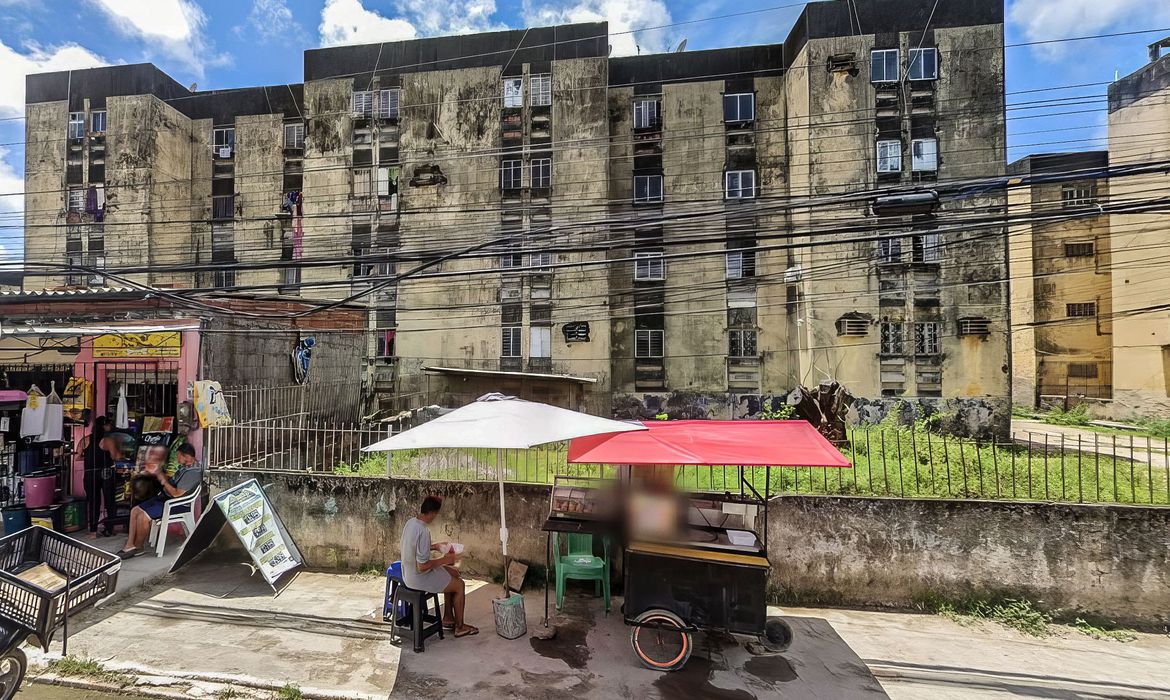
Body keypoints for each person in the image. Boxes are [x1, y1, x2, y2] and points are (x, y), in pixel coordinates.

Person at [399, 495, 478, 638]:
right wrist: (445, 559)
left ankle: (448, 617)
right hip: (418, 577)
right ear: (432, 513)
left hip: (408, 574)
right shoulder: (423, 531)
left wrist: (434, 546)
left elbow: (414, 547)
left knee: (453, 574)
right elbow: (423, 566)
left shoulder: (411, 523)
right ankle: (460, 627)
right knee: (459, 585)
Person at [117, 443, 202, 559]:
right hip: (164, 498)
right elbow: (173, 483)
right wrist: (160, 474)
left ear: (186, 456)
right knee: (135, 510)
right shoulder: (185, 467)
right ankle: (130, 544)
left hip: (176, 504)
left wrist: (163, 481)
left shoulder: (193, 472)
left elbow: (176, 494)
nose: (177, 458)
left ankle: (139, 547)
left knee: (143, 517)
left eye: (178, 455)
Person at [79, 416, 116, 537]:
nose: (110, 427)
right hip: (105, 472)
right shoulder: (107, 441)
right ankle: (109, 529)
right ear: (104, 426)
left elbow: (78, 457)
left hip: (90, 473)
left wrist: (89, 458)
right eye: (109, 424)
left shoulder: (85, 440)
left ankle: (93, 531)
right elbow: (115, 456)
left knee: (93, 502)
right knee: (109, 501)